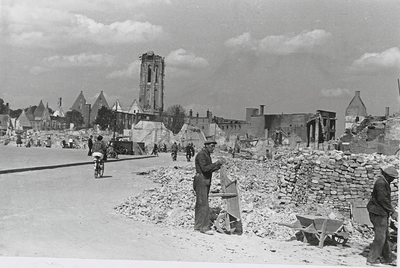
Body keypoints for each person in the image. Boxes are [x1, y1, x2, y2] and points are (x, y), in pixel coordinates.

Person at [366, 165, 398, 266]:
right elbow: (382, 199)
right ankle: (371, 259)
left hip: (381, 212)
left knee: (385, 236)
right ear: (388, 176)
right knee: (380, 237)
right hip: (377, 213)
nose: (393, 180)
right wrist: (392, 211)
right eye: (392, 177)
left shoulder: (384, 181)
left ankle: (387, 258)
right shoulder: (381, 183)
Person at [193, 139, 225, 235]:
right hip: (201, 180)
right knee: (203, 204)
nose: (213, 148)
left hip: (204, 180)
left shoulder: (206, 154)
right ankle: (204, 227)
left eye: (214, 146)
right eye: (211, 146)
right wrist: (216, 163)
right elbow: (205, 169)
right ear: (206, 145)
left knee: (200, 203)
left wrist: (218, 165)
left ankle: (198, 225)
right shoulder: (202, 155)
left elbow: (209, 169)